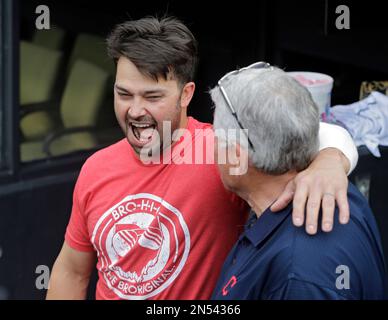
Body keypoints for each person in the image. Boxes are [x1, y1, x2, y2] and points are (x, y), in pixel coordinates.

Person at [46, 16, 358, 300]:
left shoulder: (222, 150)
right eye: (124, 94)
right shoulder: (96, 168)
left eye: (152, 97)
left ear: (186, 94)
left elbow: (315, 133)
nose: (135, 110)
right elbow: (72, 271)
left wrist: (330, 159)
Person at [210, 64, 387, 300]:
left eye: (215, 137)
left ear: (235, 157)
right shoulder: (335, 187)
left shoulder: (299, 277)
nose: (210, 148)